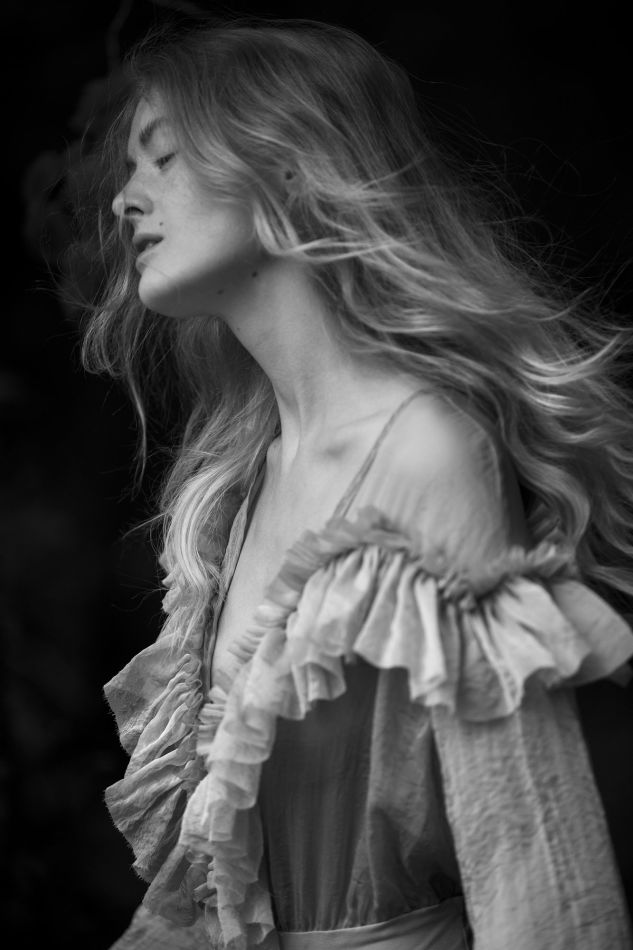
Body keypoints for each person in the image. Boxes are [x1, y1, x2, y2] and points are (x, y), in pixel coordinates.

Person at [81, 15, 633, 950]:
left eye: (163, 158)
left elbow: (529, 856)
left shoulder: (425, 450)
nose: (123, 200)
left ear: (290, 169)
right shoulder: (234, 485)